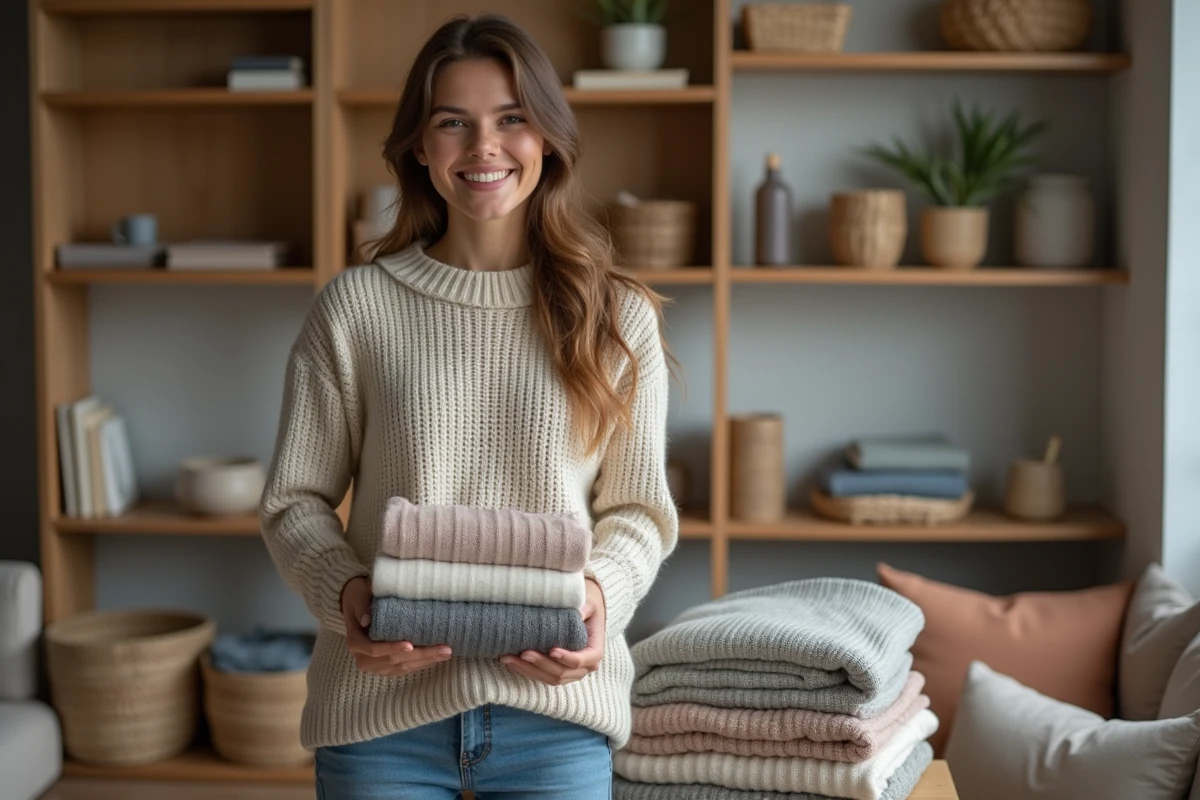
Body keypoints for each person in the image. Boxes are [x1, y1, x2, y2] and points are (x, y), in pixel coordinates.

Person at [259, 12, 680, 799]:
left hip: (556, 717)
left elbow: (639, 513)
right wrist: (345, 593)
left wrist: (599, 596)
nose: (485, 147)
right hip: (381, 722)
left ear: (547, 138)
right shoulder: (357, 309)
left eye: (512, 119)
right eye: (454, 122)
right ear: (421, 146)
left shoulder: (616, 316)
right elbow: (294, 501)